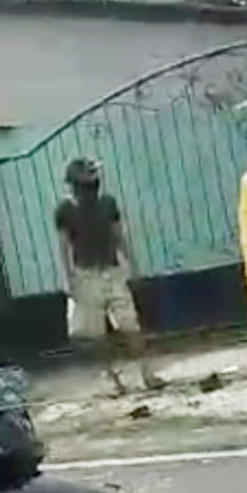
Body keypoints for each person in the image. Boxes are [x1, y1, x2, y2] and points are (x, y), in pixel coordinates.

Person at [53, 158, 163, 395]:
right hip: (86, 274)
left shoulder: (107, 204)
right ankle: (111, 378)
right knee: (97, 333)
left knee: (129, 324)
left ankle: (145, 372)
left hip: (111, 271)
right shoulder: (66, 210)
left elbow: (118, 236)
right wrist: (68, 278)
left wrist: (132, 264)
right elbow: (64, 247)